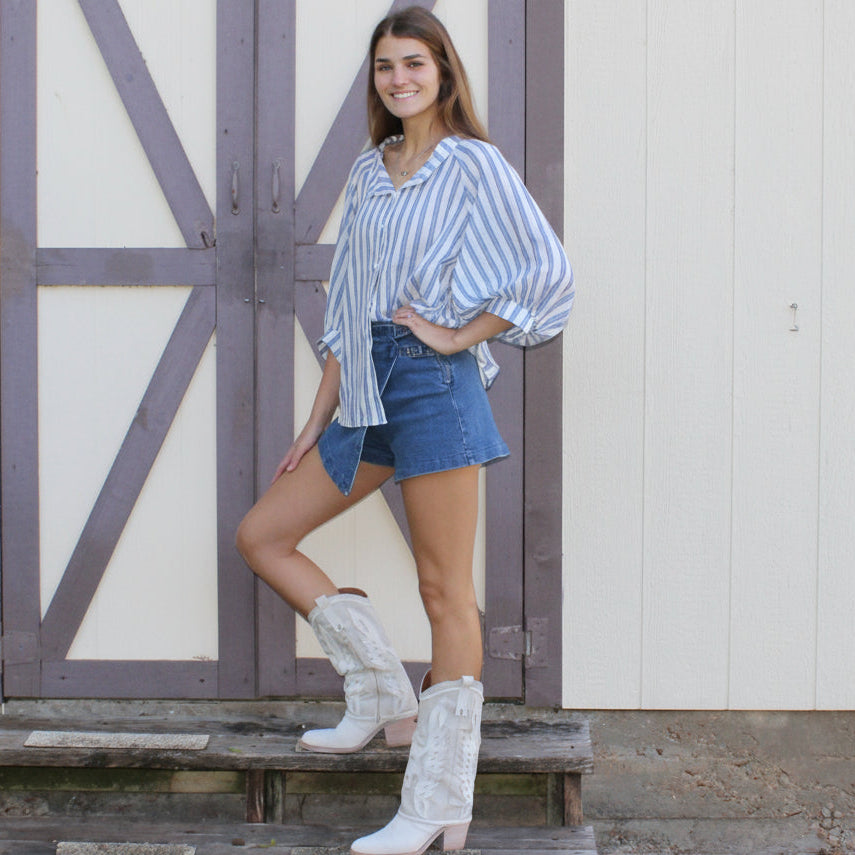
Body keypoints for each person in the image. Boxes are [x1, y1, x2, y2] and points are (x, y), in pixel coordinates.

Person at [236, 6, 574, 854]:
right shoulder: (369, 168)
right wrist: (317, 415)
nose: (399, 79)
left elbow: (546, 271)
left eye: (414, 63)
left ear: (442, 71)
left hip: (430, 384)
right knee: (263, 534)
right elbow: (349, 297)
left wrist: (458, 337)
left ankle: (436, 803)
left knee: (443, 590)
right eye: (386, 66)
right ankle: (382, 692)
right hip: (364, 385)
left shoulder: (471, 163)